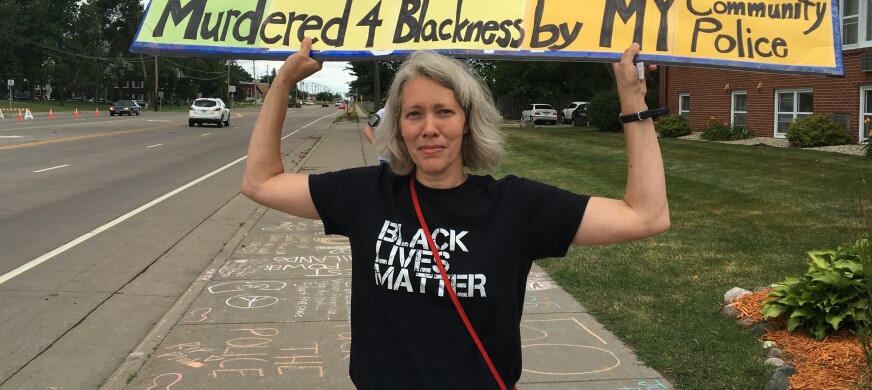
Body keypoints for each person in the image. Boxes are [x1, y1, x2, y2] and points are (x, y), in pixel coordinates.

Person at [241, 38, 669, 389]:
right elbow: (260, 182)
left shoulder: (515, 206)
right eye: (414, 114)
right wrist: (281, 83)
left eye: (444, 111)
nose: (429, 127)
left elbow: (645, 216)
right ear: (400, 127)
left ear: (467, 121)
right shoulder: (367, 195)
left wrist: (633, 101)